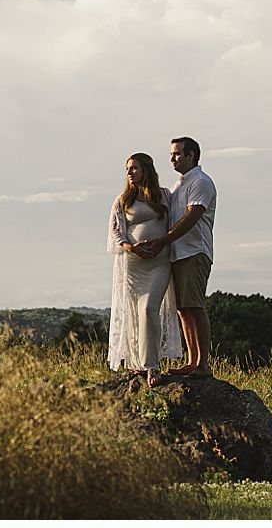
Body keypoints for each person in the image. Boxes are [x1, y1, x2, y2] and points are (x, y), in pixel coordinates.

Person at [139, 137, 217, 378]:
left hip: (194, 251)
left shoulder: (201, 182)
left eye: (177, 154)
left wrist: (163, 241)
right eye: (172, 154)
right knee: (183, 308)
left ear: (191, 155)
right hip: (178, 254)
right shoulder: (178, 185)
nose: (172, 159)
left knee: (195, 305)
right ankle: (192, 361)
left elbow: (192, 217)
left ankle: (203, 364)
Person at [106, 153, 183, 387]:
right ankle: (141, 363)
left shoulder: (164, 196)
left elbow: (175, 223)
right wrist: (131, 247)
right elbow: (115, 233)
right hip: (134, 266)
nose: (129, 172)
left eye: (134, 168)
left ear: (146, 170)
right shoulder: (123, 200)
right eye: (127, 168)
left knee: (149, 309)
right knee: (136, 314)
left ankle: (153, 366)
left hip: (159, 264)